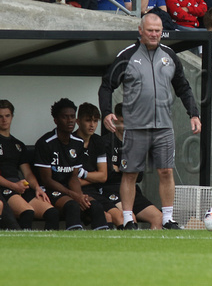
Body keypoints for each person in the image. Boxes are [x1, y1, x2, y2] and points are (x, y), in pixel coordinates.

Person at [98, 13, 201, 230]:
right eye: (150, 30)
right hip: (135, 127)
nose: (154, 34)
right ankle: (127, 219)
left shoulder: (170, 55)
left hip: (164, 126)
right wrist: (106, 112)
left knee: (166, 171)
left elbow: (183, 87)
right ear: (140, 31)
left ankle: (168, 219)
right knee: (130, 173)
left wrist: (193, 113)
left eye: (158, 30)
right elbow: (107, 85)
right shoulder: (127, 55)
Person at [34, 98, 109, 230]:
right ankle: (70, 243)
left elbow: (73, 177)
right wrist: (73, 195)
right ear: (56, 120)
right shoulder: (45, 143)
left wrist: (79, 196)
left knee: (96, 206)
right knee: (72, 205)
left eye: (72, 117)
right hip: (52, 189)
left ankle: (101, 246)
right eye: (65, 117)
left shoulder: (78, 142)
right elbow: (47, 180)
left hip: (70, 189)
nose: (70, 121)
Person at [102, 104, 164, 229]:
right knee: (130, 219)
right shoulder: (105, 142)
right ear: (115, 120)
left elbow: (139, 176)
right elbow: (107, 174)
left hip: (133, 190)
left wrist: (118, 168)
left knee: (159, 217)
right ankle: (126, 248)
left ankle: (153, 248)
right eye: (124, 122)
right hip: (111, 190)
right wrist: (127, 169)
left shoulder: (137, 144)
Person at [0, 99, 59, 230]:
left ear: (12, 117)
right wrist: (14, 186)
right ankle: (21, 248)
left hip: (19, 186)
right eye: (0, 116)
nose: (4, 119)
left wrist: (37, 188)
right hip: (5, 186)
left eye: (7, 116)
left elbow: (27, 173)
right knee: (27, 212)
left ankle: (50, 249)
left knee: (52, 213)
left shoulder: (18, 144)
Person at [72, 103, 121, 228]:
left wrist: (84, 174)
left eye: (95, 121)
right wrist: (93, 176)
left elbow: (103, 176)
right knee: (107, 216)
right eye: (88, 120)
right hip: (73, 192)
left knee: (120, 216)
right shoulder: (70, 141)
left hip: (94, 190)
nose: (92, 125)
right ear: (78, 121)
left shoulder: (98, 141)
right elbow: (69, 180)